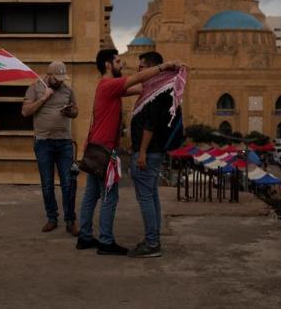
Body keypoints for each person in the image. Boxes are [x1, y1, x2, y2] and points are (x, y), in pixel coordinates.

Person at [76, 49, 182, 256]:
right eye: (117, 61)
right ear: (108, 65)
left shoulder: (107, 87)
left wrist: (166, 81)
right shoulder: (110, 84)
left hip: (95, 147)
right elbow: (136, 79)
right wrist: (162, 67)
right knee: (109, 196)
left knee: (91, 195)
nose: (122, 64)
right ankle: (106, 242)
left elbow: (140, 87)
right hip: (105, 149)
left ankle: (85, 237)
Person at [128, 51, 181, 258]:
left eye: (141, 67)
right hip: (153, 152)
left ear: (150, 67)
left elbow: (150, 125)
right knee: (152, 196)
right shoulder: (161, 88)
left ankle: (151, 244)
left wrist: (141, 152)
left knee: (146, 198)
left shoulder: (157, 91)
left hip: (148, 153)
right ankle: (153, 239)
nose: (139, 70)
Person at [22, 61, 79, 235]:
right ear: (49, 75)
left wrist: (70, 111)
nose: (61, 82)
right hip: (43, 143)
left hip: (64, 143)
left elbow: (76, 112)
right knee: (47, 184)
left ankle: (70, 220)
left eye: (63, 78)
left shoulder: (68, 90)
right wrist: (44, 98)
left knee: (68, 183)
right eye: (58, 78)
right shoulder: (35, 87)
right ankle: (52, 218)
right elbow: (25, 111)